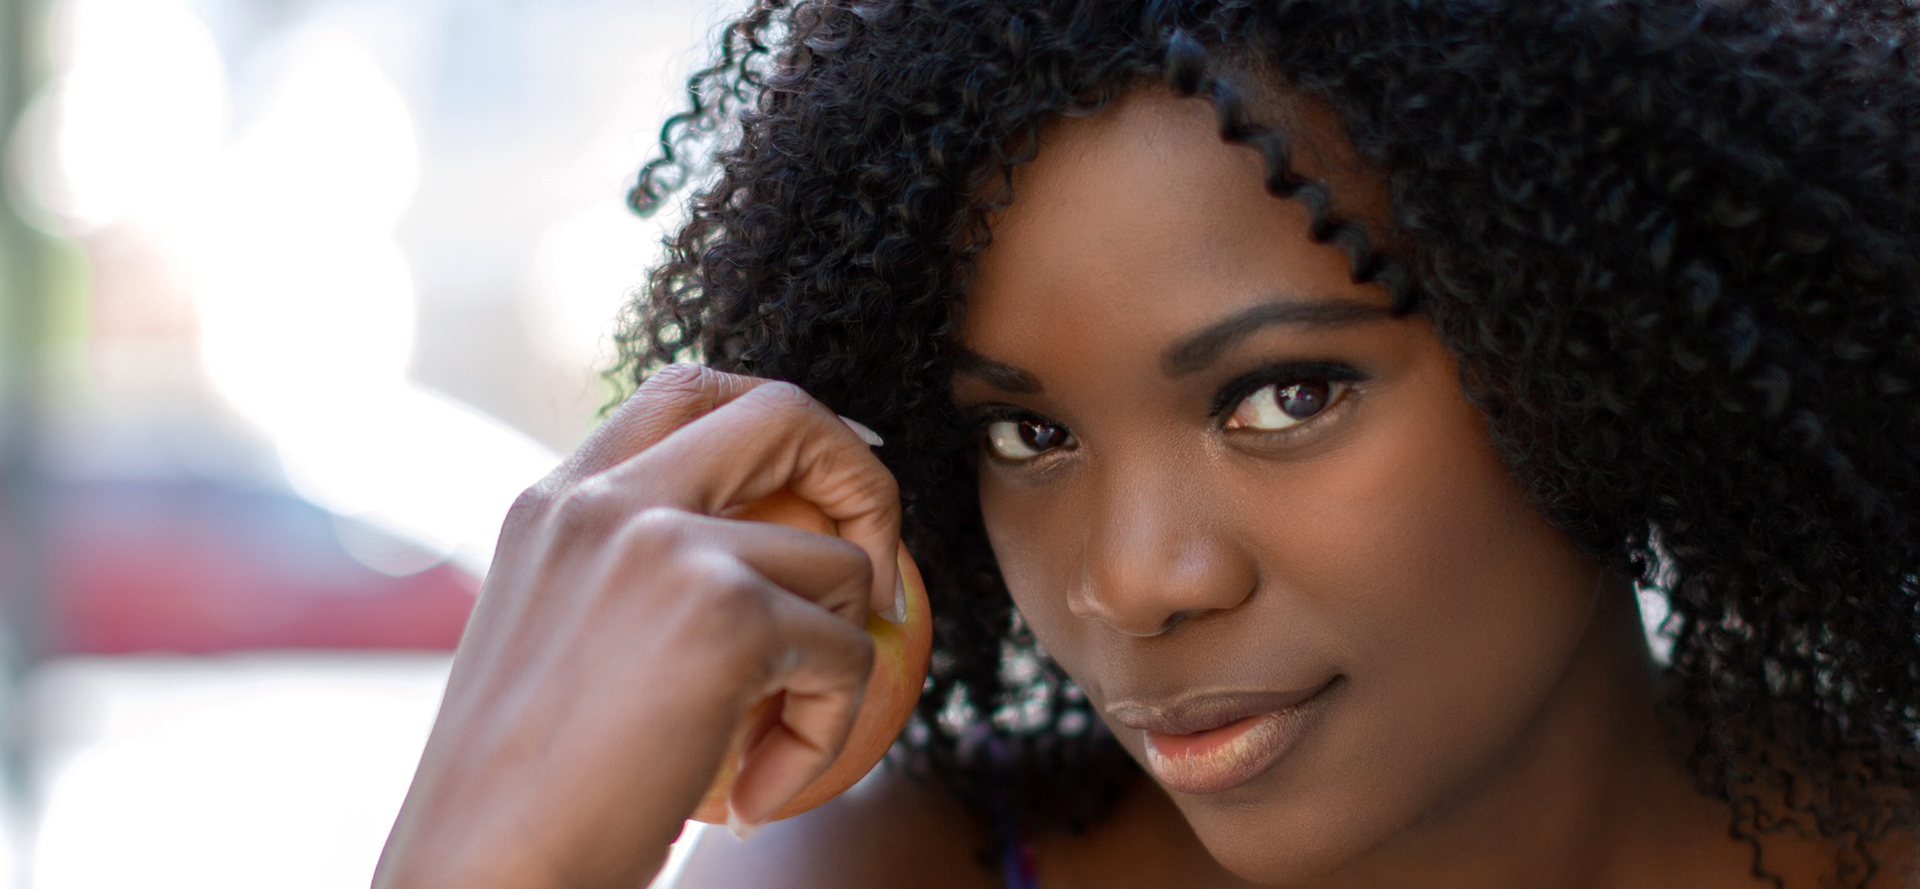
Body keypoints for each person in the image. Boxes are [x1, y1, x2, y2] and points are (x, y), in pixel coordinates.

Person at [371, 1, 1920, 887]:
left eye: (1283, 396)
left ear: (1601, 339)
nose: (1133, 580)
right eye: (1028, 430)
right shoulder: (896, 878)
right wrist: (494, 853)